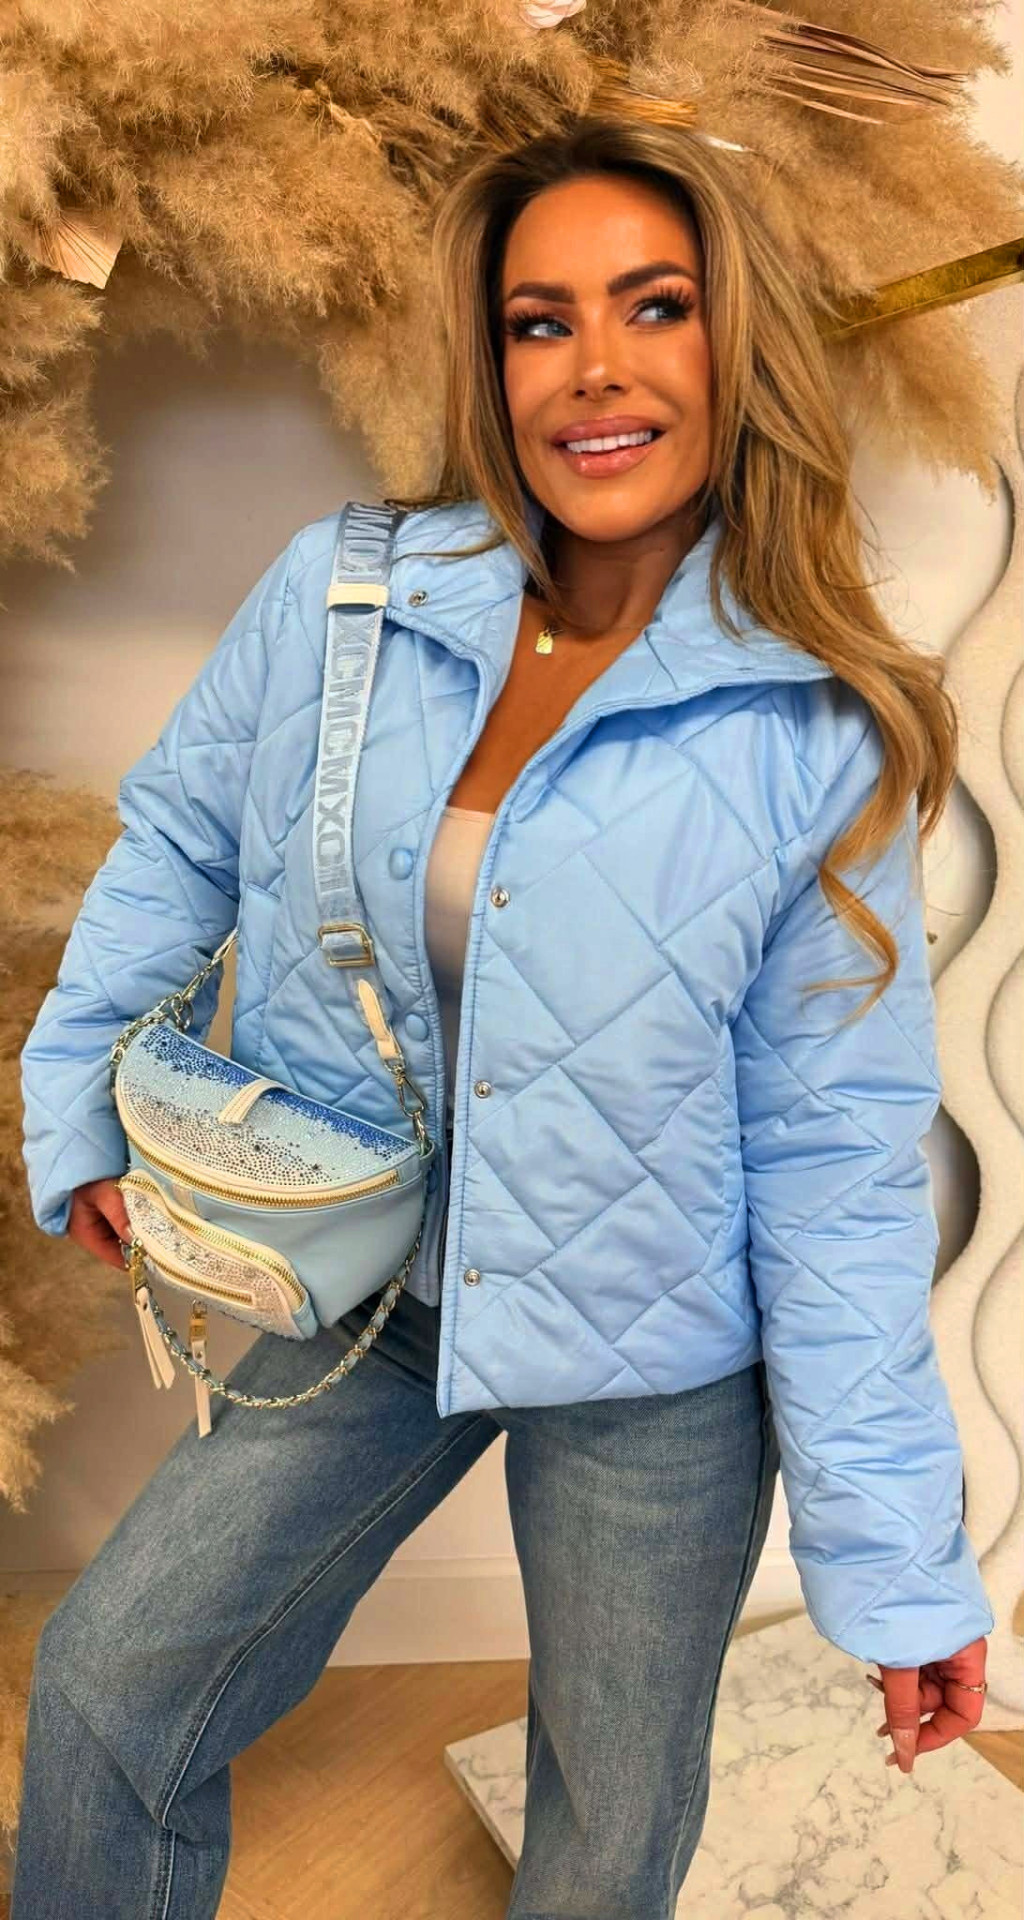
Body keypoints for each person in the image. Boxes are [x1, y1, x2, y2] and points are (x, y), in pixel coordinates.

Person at [13, 113, 993, 1919]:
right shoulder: (348, 597)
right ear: (493, 359)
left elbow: (835, 1167)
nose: (596, 368)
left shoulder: (816, 727)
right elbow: (180, 844)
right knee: (108, 1689)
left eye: (655, 306)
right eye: (543, 320)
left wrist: (897, 1564)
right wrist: (75, 1096)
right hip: (363, 1281)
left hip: (658, 1360)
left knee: (606, 1829)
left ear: (738, 344)